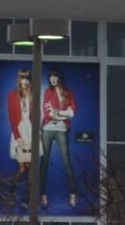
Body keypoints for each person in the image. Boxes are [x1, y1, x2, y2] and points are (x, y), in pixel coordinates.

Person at [41, 68, 78, 208]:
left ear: (59, 77)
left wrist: (58, 112)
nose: (53, 79)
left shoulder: (68, 92)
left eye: (55, 76)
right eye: (51, 77)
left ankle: (73, 193)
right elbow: (47, 113)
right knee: (44, 162)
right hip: (47, 128)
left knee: (66, 161)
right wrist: (63, 113)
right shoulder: (47, 92)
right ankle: (43, 194)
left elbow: (74, 111)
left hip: (62, 128)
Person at [5, 68, 35, 202]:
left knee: (30, 168)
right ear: (19, 79)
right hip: (19, 130)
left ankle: (27, 200)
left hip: (31, 130)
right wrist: (18, 137)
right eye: (22, 78)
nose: (25, 81)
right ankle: (11, 195)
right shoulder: (12, 95)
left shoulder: (34, 94)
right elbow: (12, 117)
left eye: (27, 78)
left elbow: (36, 115)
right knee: (22, 168)